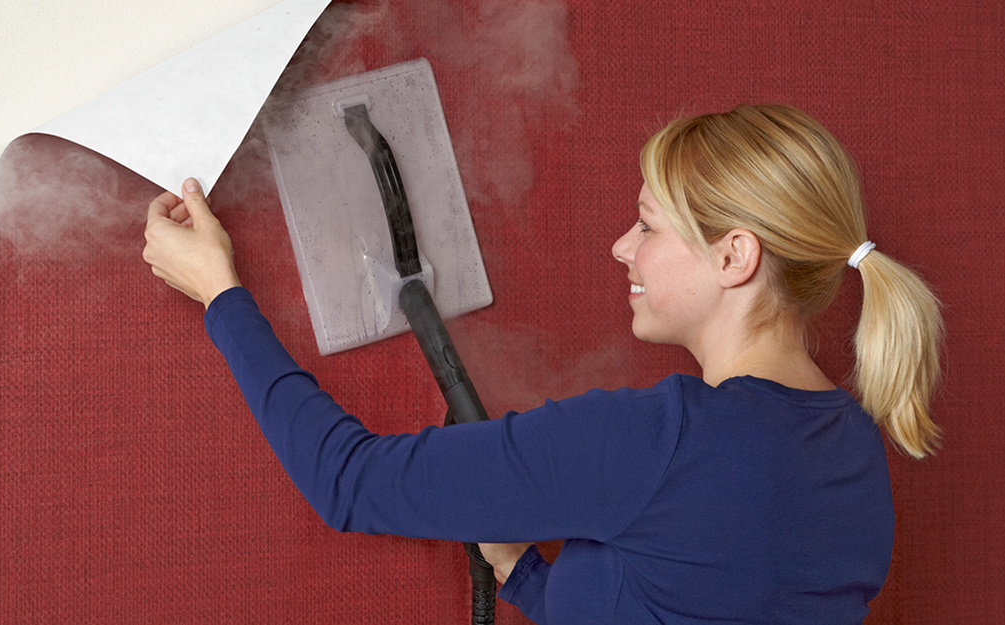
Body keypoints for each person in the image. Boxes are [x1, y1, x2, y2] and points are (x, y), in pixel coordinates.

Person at [142, 103, 943, 624]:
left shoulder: (654, 441)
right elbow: (676, 594)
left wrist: (219, 291)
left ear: (733, 255)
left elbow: (347, 482)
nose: (620, 247)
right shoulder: (853, 452)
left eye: (646, 224)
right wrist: (525, 573)